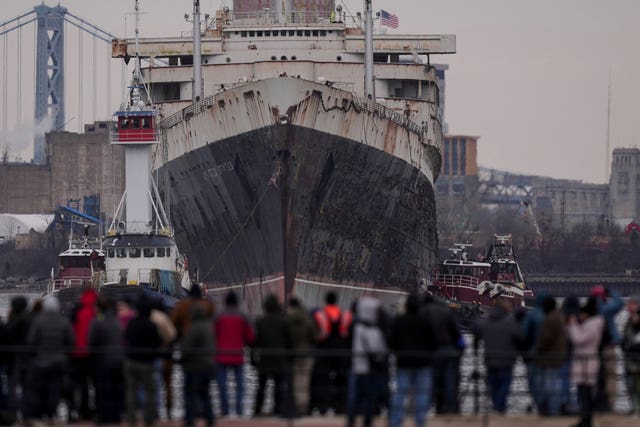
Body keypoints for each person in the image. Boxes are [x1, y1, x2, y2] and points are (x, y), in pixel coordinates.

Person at [24, 296, 75, 425]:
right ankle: (52, 414)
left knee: (40, 389)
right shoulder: (63, 321)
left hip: (41, 360)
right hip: (59, 360)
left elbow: (31, 340)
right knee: (55, 389)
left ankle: (40, 414)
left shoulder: (38, 321)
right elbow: (71, 341)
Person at [389, 293, 437, 427]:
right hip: (422, 363)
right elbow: (433, 342)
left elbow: (392, 342)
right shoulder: (426, 321)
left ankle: (396, 421)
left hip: (403, 362)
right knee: (421, 394)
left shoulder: (399, 320)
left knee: (400, 393)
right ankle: (420, 422)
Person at [474, 298, 523, 414]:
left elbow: (476, 333)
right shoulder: (511, 323)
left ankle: (496, 406)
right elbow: (520, 337)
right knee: (504, 386)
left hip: (490, 359)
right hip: (507, 361)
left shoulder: (485, 322)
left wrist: (475, 346)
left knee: (493, 385)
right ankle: (499, 408)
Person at [346, 296, 388, 427]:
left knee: (354, 396)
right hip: (370, 369)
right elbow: (380, 351)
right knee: (369, 396)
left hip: (356, 366)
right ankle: (367, 419)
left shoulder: (355, 327)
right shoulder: (374, 330)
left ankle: (351, 419)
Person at [214, 291, 255, 418]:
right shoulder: (243, 316)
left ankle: (225, 410)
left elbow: (212, 334)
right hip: (238, 355)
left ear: (225, 302)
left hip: (221, 356)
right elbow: (250, 337)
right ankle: (239, 410)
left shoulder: (218, 316)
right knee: (240, 386)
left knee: (222, 384)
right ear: (237, 302)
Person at [124, 295, 163, 427]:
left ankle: (131, 418)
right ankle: (149, 418)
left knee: (131, 391)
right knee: (150, 391)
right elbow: (157, 343)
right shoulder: (151, 325)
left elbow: (126, 338)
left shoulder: (132, 323)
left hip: (131, 361)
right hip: (147, 362)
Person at [421, 294, 463, 414]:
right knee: (449, 381)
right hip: (447, 350)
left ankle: (426, 408)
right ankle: (451, 408)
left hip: (430, 351)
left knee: (432, 380)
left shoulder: (422, 313)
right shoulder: (446, 313)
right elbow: (457, 334)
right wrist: (460, 349)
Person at [311, 291, 352, 414]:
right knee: (342, 379)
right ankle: (341, 406)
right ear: (336, 301)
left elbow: (318, 335)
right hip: (341, 350)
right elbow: (346, 334)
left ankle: (323, 406)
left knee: (323, 378)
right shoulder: (345, 314)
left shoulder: (320, 314)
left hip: (325, 351)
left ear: (326, 300)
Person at [252, 294, 293, 418]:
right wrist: (289, 359)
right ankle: (278, 410)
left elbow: (255, 343)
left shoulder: (260, 321)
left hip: (264, 361)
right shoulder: (284, 321)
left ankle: (257, 410)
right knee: (279, 387)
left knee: (261, 387)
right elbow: (289, 341)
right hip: (279, 360)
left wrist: (253, 360)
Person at [567, 296, 604, 427]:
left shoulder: (591, 326)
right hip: (586, 362)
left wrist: (572, 325)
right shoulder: (594, 324)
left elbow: (579, 339)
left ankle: (586, 420)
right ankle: (585, 419)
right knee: (585, 393)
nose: (580, 317)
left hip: (586, 363)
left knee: (585, 394)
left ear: (587, 314)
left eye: (582, 314)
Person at [88, 295, 125, 425]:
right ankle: (116, 415)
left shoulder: (97, 321)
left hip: (104, 360)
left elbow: (91, 341)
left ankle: (103, 416)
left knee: (103, 389)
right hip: (119, 359)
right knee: (116, 390)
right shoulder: (116, 320)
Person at [180, 301, 216, 427]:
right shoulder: (210, 326)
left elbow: (188, 346)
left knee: (190, 393)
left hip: (195, 365)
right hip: (209, 364)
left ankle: (190, 419)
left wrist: (182, 358)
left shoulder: (194, 327)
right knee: (205, 393)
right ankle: (210, 418)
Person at [590, 284, 624, 411]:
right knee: (611, 376)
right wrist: (611, 291)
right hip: (608, 348)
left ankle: (596, 404)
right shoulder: (606, 309)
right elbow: (619, 303)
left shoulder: (591, 310)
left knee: (594, 378)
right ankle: (611, 404)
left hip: (593, 349)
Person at [68, 288, 98, 422]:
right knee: (97, 384)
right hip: (94, 354)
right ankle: (95, 410)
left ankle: (76, 410)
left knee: (79, 384)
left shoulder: (77, 310)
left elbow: (71, 331)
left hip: (77, 353)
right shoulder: (97, 312)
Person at [535, 295, 567, 416]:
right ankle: (555, 408)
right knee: (555, 384)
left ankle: (552, 410)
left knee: (549, 385)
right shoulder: (559, 317)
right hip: (558, 356)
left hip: (550, 357)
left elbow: (545, 339)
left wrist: (538, 348)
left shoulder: (550, 319)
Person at [286, 297, 315, 417]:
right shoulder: (307, 319)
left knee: (290, 382)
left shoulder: (286, 319)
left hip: (291, 355)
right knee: (304, 382)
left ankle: (291, 408)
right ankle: (303, 408)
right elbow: (314, 336)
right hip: (306, 354)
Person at [622, 294, 640, 417]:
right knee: (631, 384)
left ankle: (637, 408)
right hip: (631, 358)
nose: (627, 306)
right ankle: (634, 407)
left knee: (636, 385)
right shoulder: (630, 319)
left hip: (636, 359)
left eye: (630, 304)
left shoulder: (635, 319)